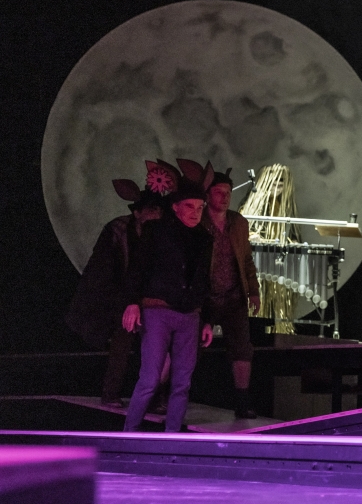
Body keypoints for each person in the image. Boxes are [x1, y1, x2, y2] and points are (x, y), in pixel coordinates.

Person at [122, 160, 216, 433]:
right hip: (158, 310)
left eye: (200, 208)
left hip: (189, 315)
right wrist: (132, 303)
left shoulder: (203, 238)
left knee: (182, 382)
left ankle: (172, 437)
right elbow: (137, 268)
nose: (195, 213)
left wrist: (208, 319)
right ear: (175, 207)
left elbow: (204, 280)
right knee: (150, 378)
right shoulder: (157, 231)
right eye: (189, 206)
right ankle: (128, 434)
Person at [66, 178, 162, 407]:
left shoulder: (162, 232)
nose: (157, 214)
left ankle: (153, 396)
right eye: (152, 209)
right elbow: (104, 270)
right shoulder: (118, 230)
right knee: (123, 338)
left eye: (159, 210)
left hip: (151, 296)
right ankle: (111, 392)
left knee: (155, 346)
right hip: (120, 294)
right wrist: (126, 301)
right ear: (138, 212)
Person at [201, 166, 261, 419]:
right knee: (187, 348)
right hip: (204, 297)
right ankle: (165, 396)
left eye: (228, 192)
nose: (225, 197)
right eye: (219, 192)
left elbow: (246, 260)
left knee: (242, 349)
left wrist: (253, 291)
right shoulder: (199, 221)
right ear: (208, 195)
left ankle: (242, 401)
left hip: (234, 296)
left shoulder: (238, 223)